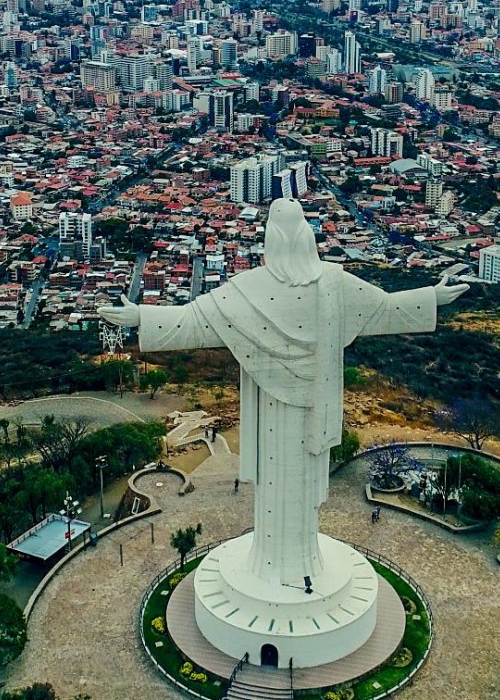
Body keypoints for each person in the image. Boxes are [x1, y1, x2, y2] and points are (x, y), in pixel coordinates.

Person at [100, 198, 468, 587]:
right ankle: (284, 561)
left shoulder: (248, 289)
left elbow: (193, 321)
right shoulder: (333, 283)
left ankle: (284, 561)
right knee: (292, 483)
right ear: (307, 237)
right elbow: (387, 309)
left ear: (269, 240)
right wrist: (431, 296)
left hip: (279, 414)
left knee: (289, 483)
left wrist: (142, 316)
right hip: (308, 409)